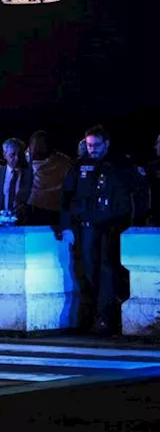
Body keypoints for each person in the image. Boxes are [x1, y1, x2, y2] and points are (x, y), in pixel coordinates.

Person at [57, 125, 142, 335]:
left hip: (113, 227)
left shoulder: (121, 165)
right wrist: (67, 227)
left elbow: (139, 193)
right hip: (87, 227)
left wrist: (134, 223)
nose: (92, 149)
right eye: (88, 145)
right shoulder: (79, 166)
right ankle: (91, 316)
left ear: (106, 144)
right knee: (87, 271)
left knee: (107, 271)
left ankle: (106, 318)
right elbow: (67, 198)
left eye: (96, 145)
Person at [0, 138, 33, 224]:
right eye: (12, 155)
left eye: (19, 155)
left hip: (23, 226)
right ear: (4, 155)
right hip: (0, 227)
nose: (17, 158)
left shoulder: (29, 175)